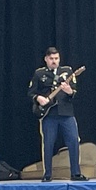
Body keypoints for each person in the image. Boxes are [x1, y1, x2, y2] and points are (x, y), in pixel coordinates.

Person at [27, 46, 86, 182]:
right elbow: (31, 92)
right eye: (51, 59)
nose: (54, 61)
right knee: (48, 143)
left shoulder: (67, 71)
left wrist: (69, 91)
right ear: (46, 59)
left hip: (66, 112)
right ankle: (47, 174)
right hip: (49, 114)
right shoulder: (39, 74)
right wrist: (38, 98)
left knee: (73, 141)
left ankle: (76, 173)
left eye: (56, 58)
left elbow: (75, 93)